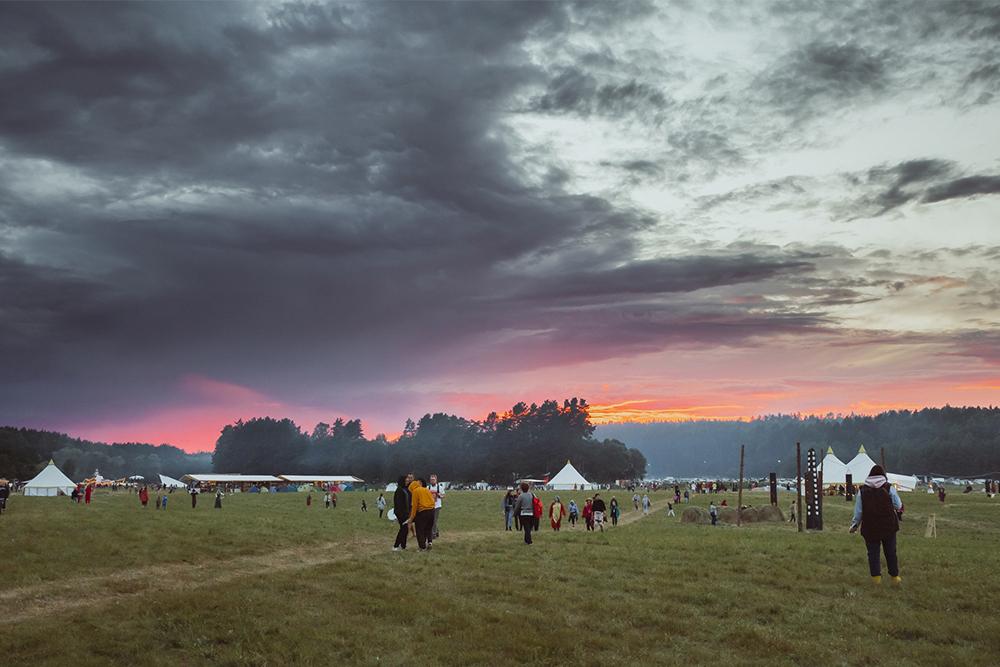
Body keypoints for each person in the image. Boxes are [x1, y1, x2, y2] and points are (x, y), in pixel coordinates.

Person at [849, 465, 902, 583]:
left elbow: (859, 511)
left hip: (870, 526)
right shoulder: (888, 487)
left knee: (873, 553)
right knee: (891, 552)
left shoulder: (862, 490)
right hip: (888, 524)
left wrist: (855, 525)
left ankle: (876, 578)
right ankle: (894, 577)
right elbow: (898, 505)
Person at [409, 478, 436, 551]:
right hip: (432, 510)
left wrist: (411, 518)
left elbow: (415, 506)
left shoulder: (415, 491)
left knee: (420, 529)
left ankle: (422, 547)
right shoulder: (426, 490)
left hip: (423, 512)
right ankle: (430, 542)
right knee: (428, 527)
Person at [392, 475, 411, 551]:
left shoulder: (403, 489)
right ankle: (395, 546)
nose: (407, 483)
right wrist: (403, 515)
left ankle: (403, 545)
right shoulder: (399, 491)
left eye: (407, 481)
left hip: (404, 513)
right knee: (403, 530)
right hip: (401, 514)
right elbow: (400, 504)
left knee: (405, 530)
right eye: (406, 481)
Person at [428, 474, 445, 540]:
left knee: (434, 520)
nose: (432, 481)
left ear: (436, 480)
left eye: (433, 479)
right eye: (431, 479)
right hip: (429, 506)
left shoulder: (439, 487)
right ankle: (436, 531)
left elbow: (443, 495)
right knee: (431, 520)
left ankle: (433, 534)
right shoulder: (428, 487)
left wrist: (440, 495)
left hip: (437, 506)